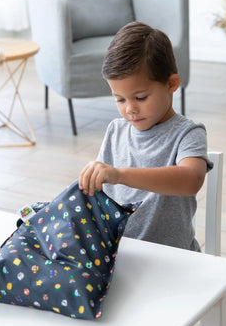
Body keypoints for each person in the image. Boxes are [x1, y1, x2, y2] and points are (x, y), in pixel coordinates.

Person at [78, 21, 213, 251]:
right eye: (120, 99)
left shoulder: (187, 133)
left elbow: (191, 180)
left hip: (173, 260)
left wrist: (119, 174)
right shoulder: (116, 131)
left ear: (172, 84)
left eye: (140, 97)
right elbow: (98, 197)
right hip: (121, 256)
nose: (130, 108)